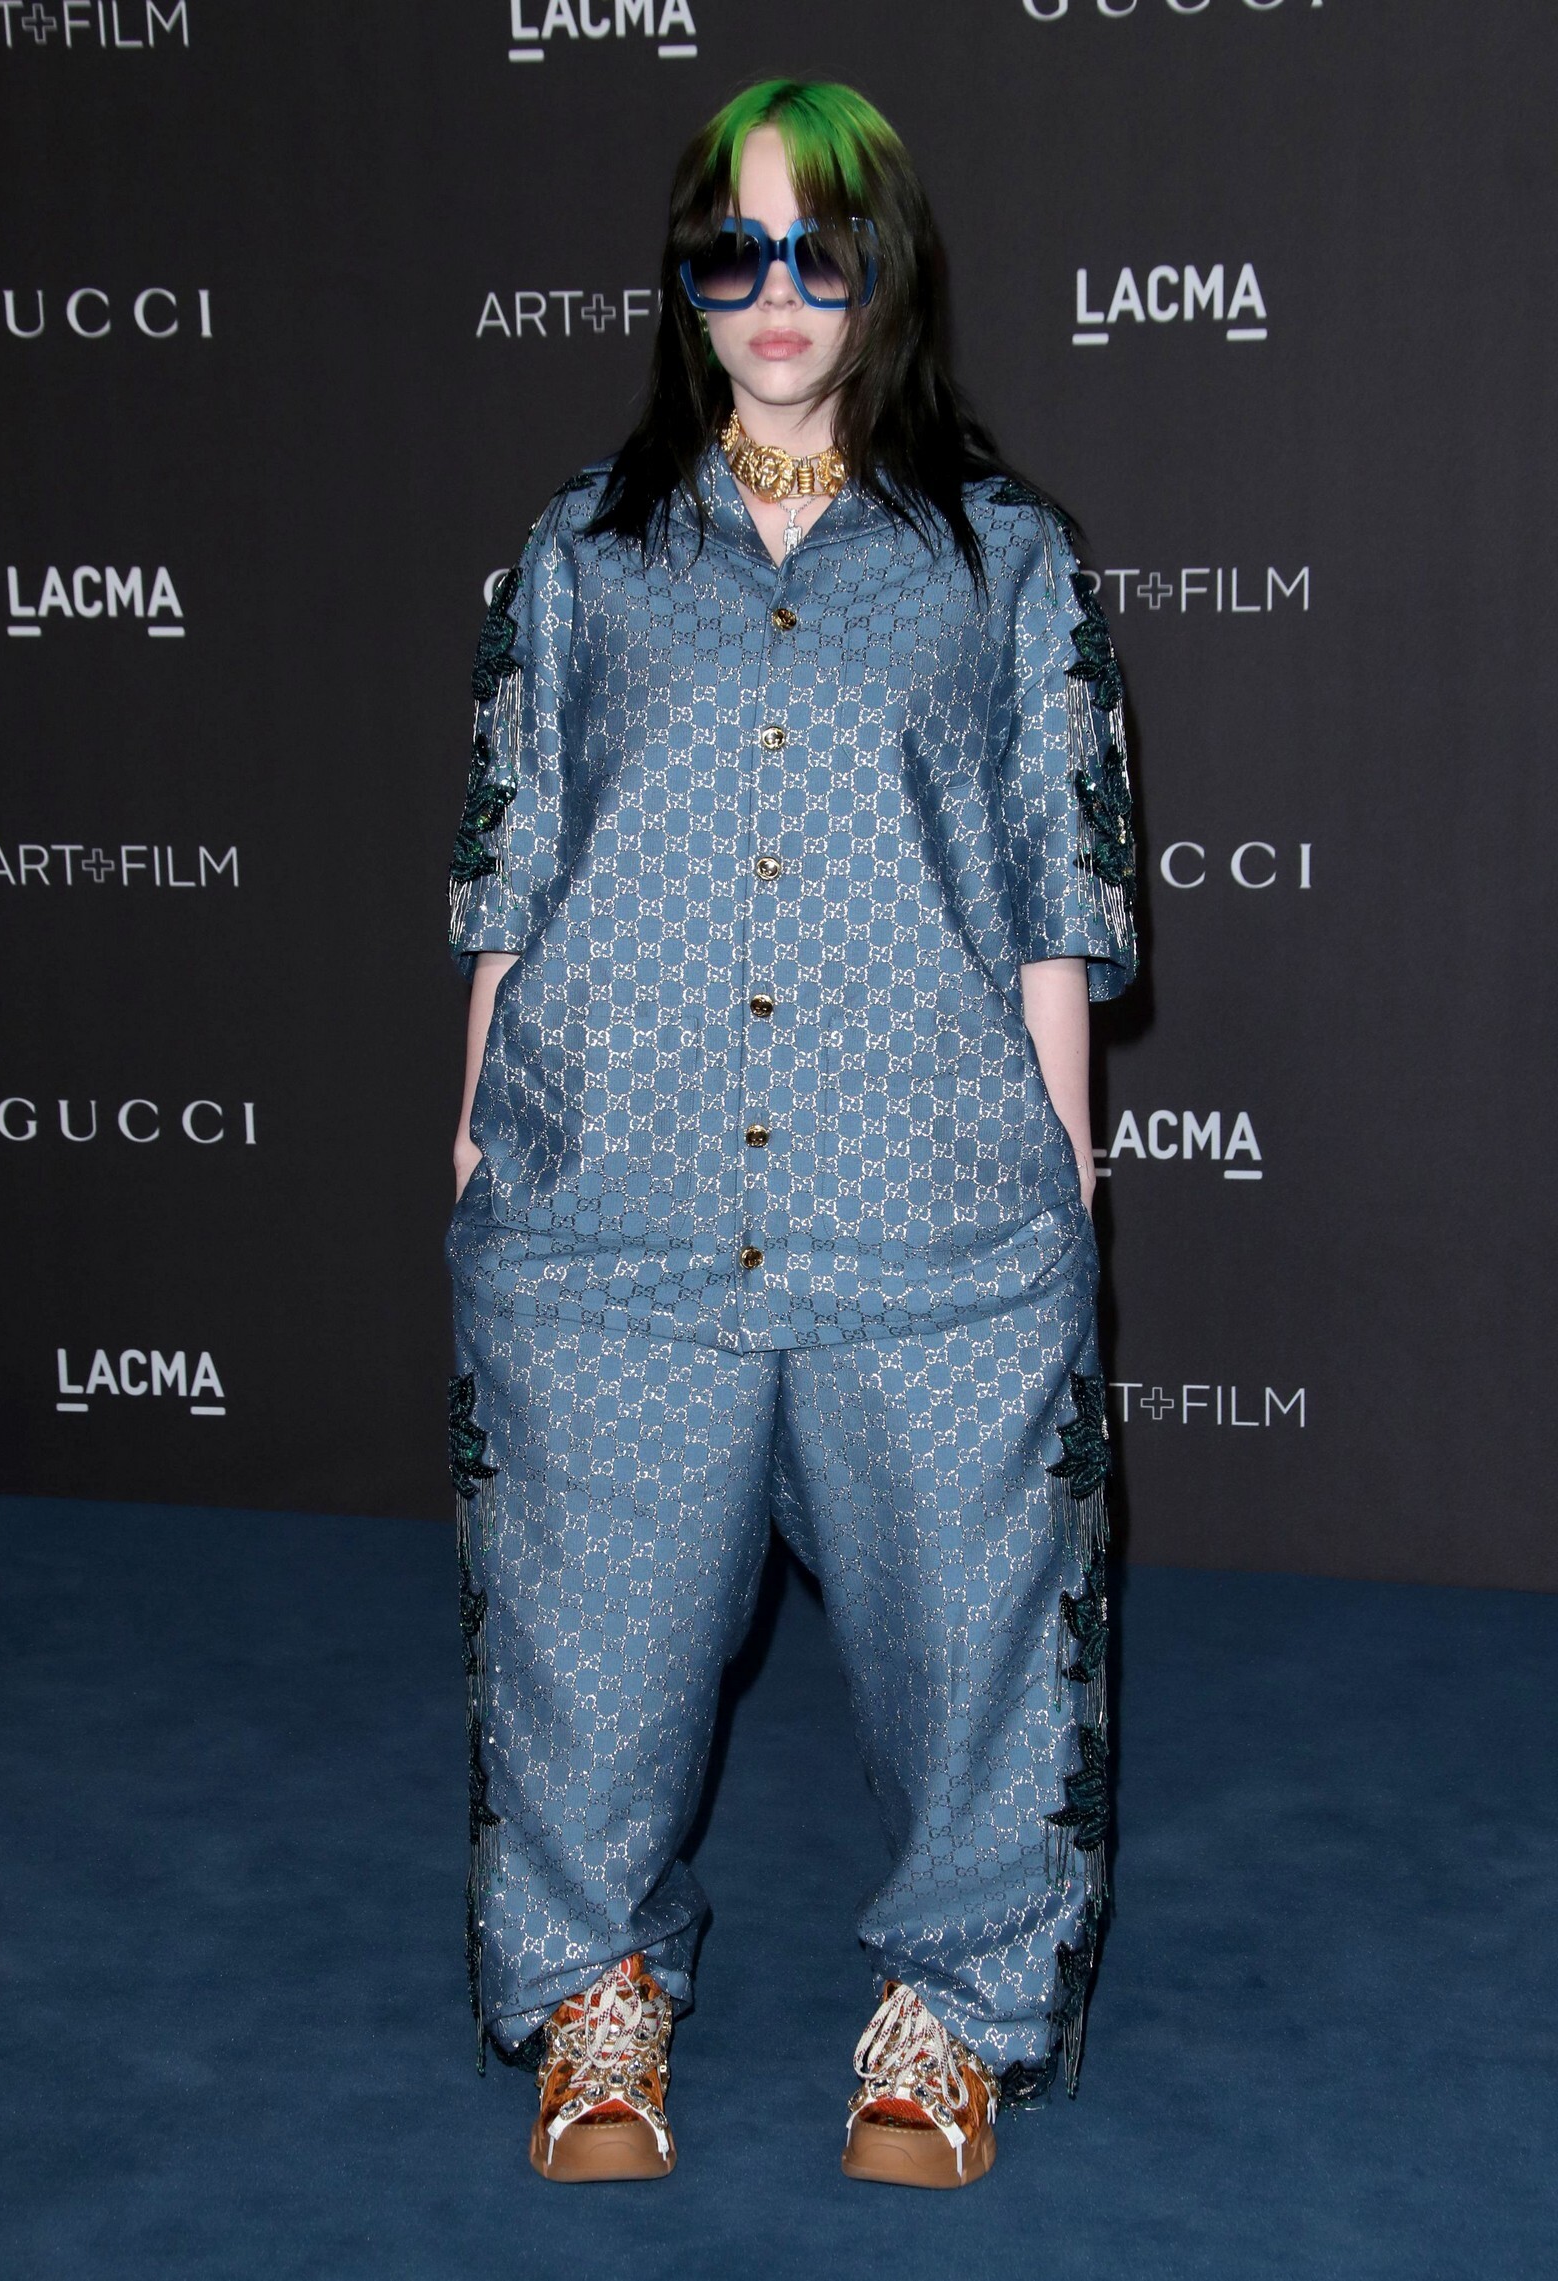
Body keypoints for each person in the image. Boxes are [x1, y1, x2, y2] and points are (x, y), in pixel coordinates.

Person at [445, 77, 1137, 2191]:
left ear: (882, 272)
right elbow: (512, 868)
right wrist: (471, 1139)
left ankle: (958, 2001)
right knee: (586, 1645)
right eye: (726, 252)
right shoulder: (582, 551)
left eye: (816, 249)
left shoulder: (1002, 560)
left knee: (972, 1645)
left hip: (931, 1212)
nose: (772, 293)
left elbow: (1052, 892)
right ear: (680, 281)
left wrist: (1063, 1170)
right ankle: (593, 1983)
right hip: (607, 1201)